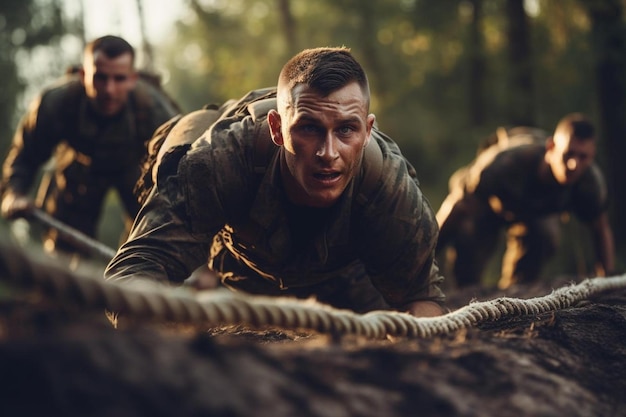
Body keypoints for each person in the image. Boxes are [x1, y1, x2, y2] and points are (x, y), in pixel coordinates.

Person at [104, 47, 446, 317]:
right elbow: (137, 266)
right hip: (242, 270)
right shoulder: (223, 159)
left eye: (346, 129)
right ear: (277, 128)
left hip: (348, 277)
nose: (328, 153)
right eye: (309, 128)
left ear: (368, 130)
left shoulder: (389, 186)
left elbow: (421, 298)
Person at [0, 35, 180, 258]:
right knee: (61, 254)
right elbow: (25, 155)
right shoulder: (57, 102)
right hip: (78, 171)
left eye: (119, 79)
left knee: (151, 246)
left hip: (137, 172)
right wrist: (13, 193)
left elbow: (184, 176)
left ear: (133, 79)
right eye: (100, 77)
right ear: (83, 75)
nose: (109, 89)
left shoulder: (156, 110)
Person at [436, 114, 615, 289]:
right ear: (551, 147)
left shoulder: (590, 182)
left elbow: (600, 229)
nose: (574, 165)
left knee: (546, 235)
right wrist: (426, 254)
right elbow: (458, 205)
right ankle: (466, 294)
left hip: (533, 218)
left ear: (592, 155)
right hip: (488, 207)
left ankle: (516, 294)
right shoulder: (505, 162)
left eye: (583, 157)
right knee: (469, 237)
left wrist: (606, 281)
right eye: (568, 154)